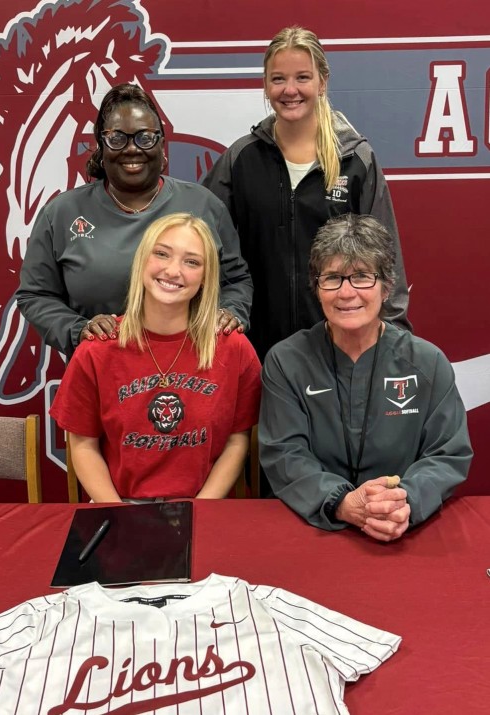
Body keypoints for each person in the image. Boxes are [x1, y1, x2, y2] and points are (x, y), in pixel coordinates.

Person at [259, 213, 472, 541]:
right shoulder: (286, 362)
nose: (346, 293)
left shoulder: (427, 363)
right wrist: (341, 503)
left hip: (401, 529)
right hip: (311, 529)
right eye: (333, 278)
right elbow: (284, 453)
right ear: (317, 288)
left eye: (361, 276)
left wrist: (404, 503)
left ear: (386, 287)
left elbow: (447, 453)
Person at [203, 26, 411, 361]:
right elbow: (201, 243)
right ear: (265, 84)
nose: (290, 90)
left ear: (322, 82)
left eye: (302, 77)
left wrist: (394, 340)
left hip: (340, 349)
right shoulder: (240, 159)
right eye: (278, 79)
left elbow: (387, 259)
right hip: (256, 349)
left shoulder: (355, 160)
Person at [16, 83, 252, 358]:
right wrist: (78, 330)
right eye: (117, 138)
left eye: (145, 137)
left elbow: (236, 280)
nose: (131, 149)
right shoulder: (61, 213)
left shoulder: (203, 206)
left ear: (162, 144)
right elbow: (36, 295)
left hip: (194, 367)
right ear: (101, 146)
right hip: (102, 368)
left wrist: (231, 312)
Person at [50, 213, 261, 502]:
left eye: (192, 262)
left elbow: (238, 440)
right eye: (162, 254)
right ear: (142, 261)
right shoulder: (98, 349)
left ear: (205, 278)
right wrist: (119, 513)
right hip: (120, 505)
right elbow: (83, 445)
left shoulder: (232, 347)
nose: (173, 271)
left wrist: (201, 507)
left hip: (206, 506)